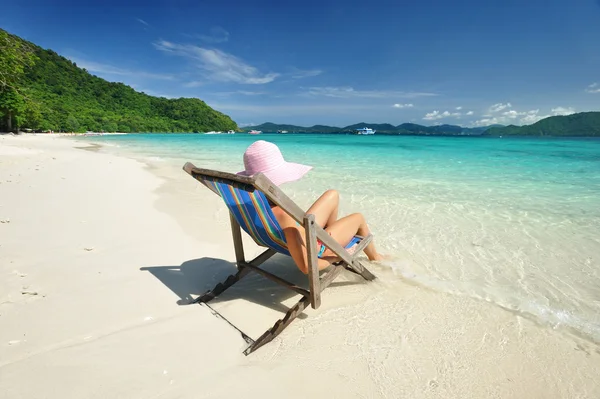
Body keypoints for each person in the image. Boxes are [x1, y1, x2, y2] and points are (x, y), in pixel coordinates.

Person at [238, 140, 384, 274]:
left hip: (303, 233)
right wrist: (337, 257)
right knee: (358, 218)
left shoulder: (249, 203)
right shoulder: (285, 217)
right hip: (315, 247)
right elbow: (307, 267)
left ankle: (333, 237)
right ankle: (375, 257)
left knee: (332, 195)